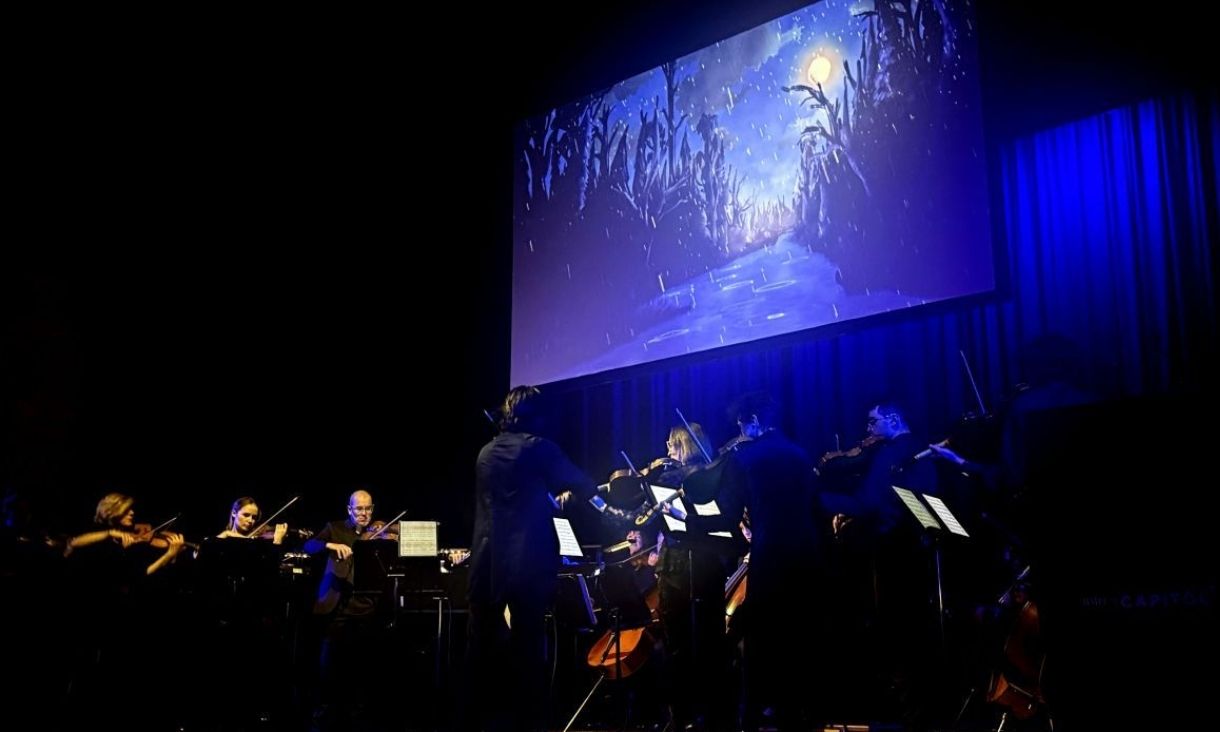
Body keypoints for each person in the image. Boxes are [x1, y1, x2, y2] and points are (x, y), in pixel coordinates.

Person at [466, 385, 598, 732]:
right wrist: (561, 496)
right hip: (527, 562)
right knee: (529, 649)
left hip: (486, 562)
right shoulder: (539, 448)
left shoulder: (485, 452)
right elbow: (586, 486)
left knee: (482, 647)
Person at [818, 401, 941, 725]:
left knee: (897, 628)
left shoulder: (897, 453)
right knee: (904, 630)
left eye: (873, 423)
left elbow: (870, 502)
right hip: (906, 549)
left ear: (893, 419)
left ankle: (907, 709)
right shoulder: (905, 449)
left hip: (896, 550)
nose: (868, 431)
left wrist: (818, 499)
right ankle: (911, 706)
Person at [718, 392, 822, 731]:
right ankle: (797, 717)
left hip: (771, 553)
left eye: (742, 425)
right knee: (798, 639)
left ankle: (751, 717)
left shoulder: (746, 456)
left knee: (761, 641)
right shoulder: (799, 453)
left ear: (754, 421)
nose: (741, 432)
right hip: (807, 553)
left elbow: (728, 512)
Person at [303, 489, 383, 731]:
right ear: (349, 509)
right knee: (329, 668)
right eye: (359, 508)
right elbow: (309, 545)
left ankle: (357, 719)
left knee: (362, 670)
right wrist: (331, 544)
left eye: (368, 508)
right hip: (338, 607)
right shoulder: (335, 527)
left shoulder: (379, 532)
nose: (364, 513)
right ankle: (323, 718)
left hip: (368, 607)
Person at [217, 496, 288, 543]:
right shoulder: (224, 538)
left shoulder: (256, 543)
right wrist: (226, 533)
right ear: (234, 513)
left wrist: (278, 540)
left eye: (254, 517)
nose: (250, 520)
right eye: (246, 515)